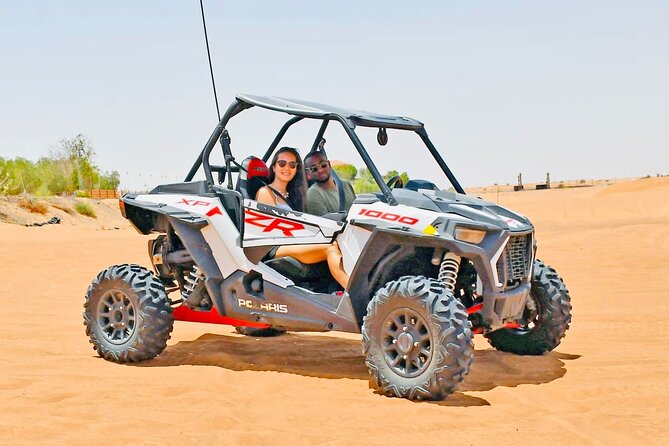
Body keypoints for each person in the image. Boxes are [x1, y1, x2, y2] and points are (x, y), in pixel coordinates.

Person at [255, 147, 349, 289]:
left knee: (341, 241)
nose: (287, 168)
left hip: (294, 240)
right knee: (330, 248)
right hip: (274, 247)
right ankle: (355, 295)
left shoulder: (292, 195)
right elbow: (273, 230)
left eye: (292, 165)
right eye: (282, 163)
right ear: (273, 167)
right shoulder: (266, 193)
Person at [304, 151, 356, 216]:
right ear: (308, 173)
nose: (320, 170)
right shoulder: (313, 194)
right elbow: (324, 223)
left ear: (329, 164)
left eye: (323, 165)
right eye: (314, 169)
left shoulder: (346, 184)